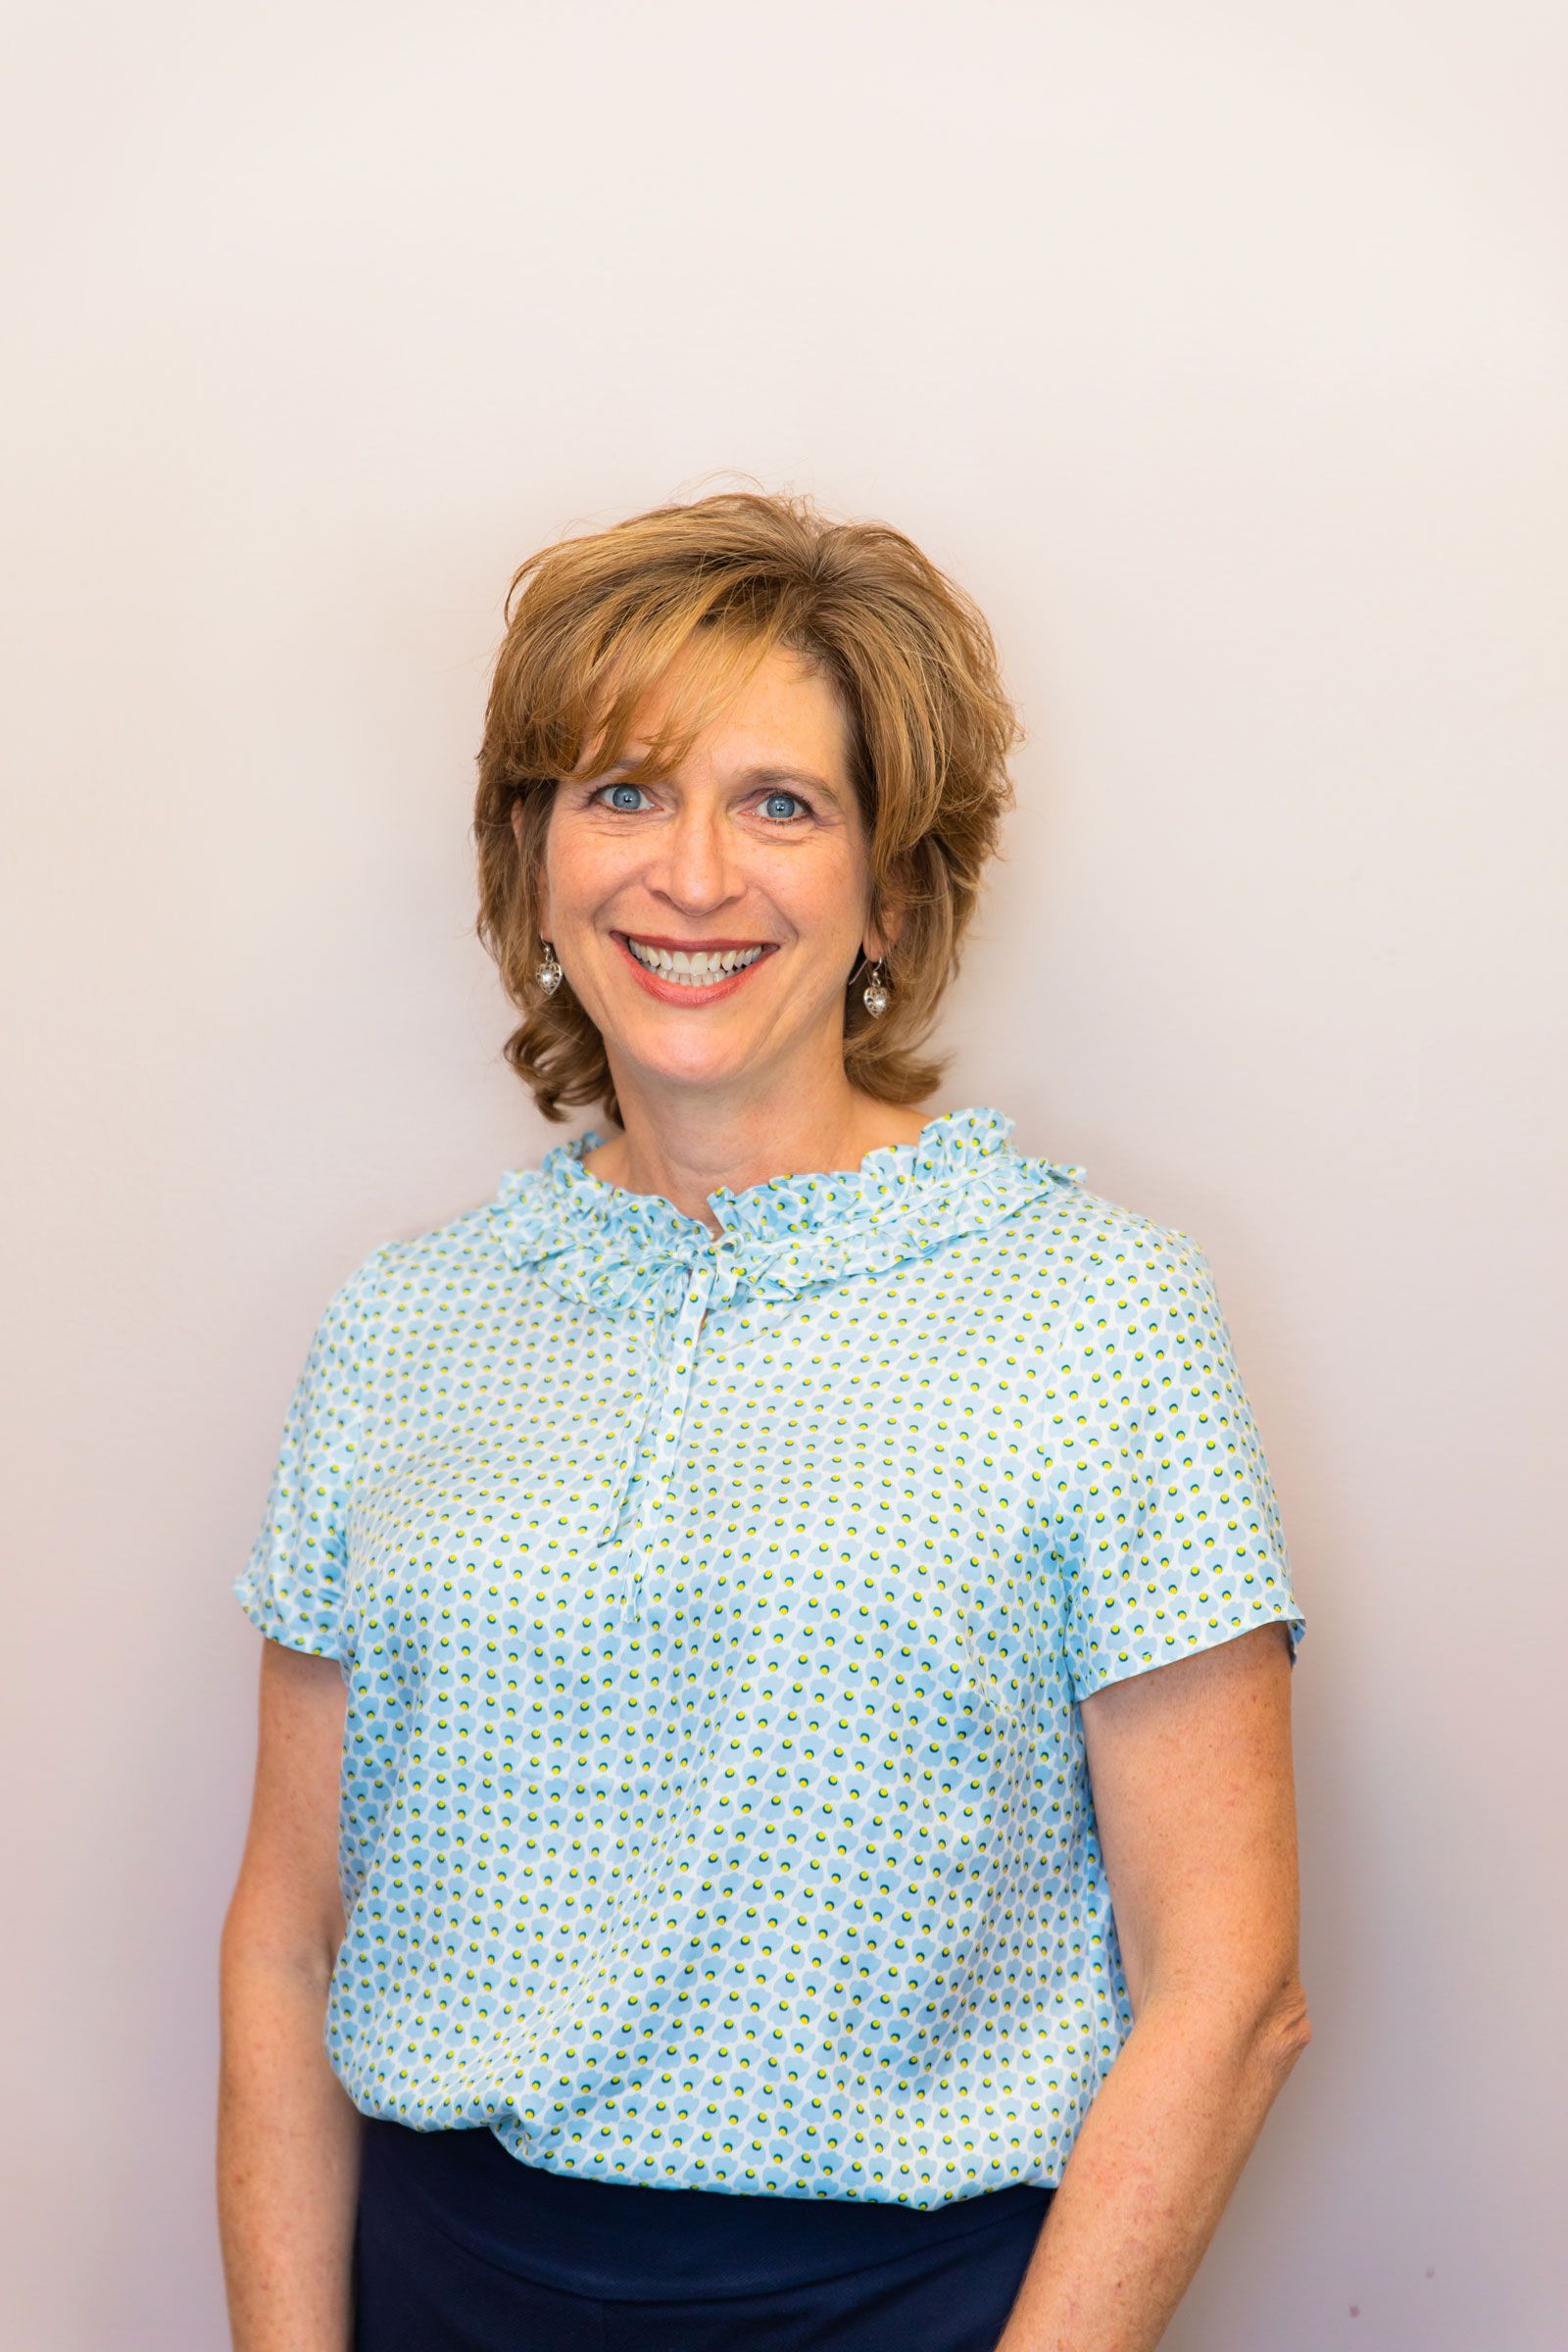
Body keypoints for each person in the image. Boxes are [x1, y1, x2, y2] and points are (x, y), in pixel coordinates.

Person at [218, 489, 1309, 2352]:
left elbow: (1232, 1986)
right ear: (537, 858)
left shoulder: (1096, 1313)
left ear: (893, 890)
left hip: (906, 2308)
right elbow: (288, 1943)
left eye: (780, 804)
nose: (692, 875)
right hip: (438, 2291)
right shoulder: (401, 1326)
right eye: (622, 792)